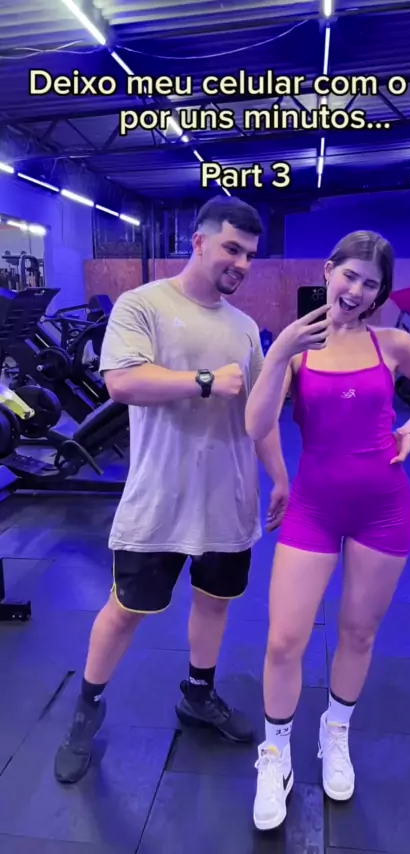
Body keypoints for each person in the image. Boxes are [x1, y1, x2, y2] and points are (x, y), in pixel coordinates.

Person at [54, 195, 290, 785]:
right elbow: (122, 382)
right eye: (232, 248)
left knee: (214, 603)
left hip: (228, 498)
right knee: (124, 611)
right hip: (160, 499)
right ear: (200, 241)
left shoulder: (243, 328)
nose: (242, 263)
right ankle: (85, 710)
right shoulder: (143, 305)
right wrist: (206, 380)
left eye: (251, 254)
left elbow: (259, 415)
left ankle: (198, 695)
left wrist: (281, 476)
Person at [245, 231, 410, 831]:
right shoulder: (298, 348)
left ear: (378, 293)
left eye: (371, 284)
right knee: (284, 640)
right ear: (328, 271)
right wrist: (279, 354)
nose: (357, 290)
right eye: (350, 275)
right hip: (314, 508)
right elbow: (256, 425)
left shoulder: (392, 343)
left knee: (359, 633)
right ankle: (275, 753)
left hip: (384, 508)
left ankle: (334, 731)